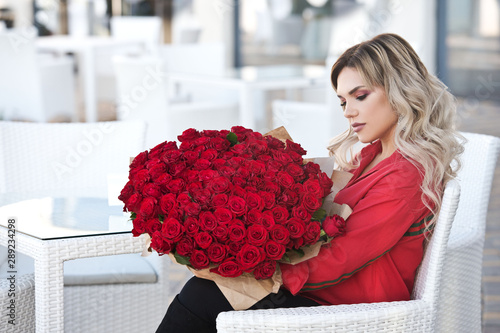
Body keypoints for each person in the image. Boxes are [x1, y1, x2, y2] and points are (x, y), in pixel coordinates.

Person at [155, 33, 464, 333]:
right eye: (343, 101)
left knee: (205, 295)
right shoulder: (374, 154)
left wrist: (256, 273)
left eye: (360, 95)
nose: (349, 111)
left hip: (356, 311)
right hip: (329, 295)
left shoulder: (406, 174)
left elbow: (343, 258)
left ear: (400, 91)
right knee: (208, 292)